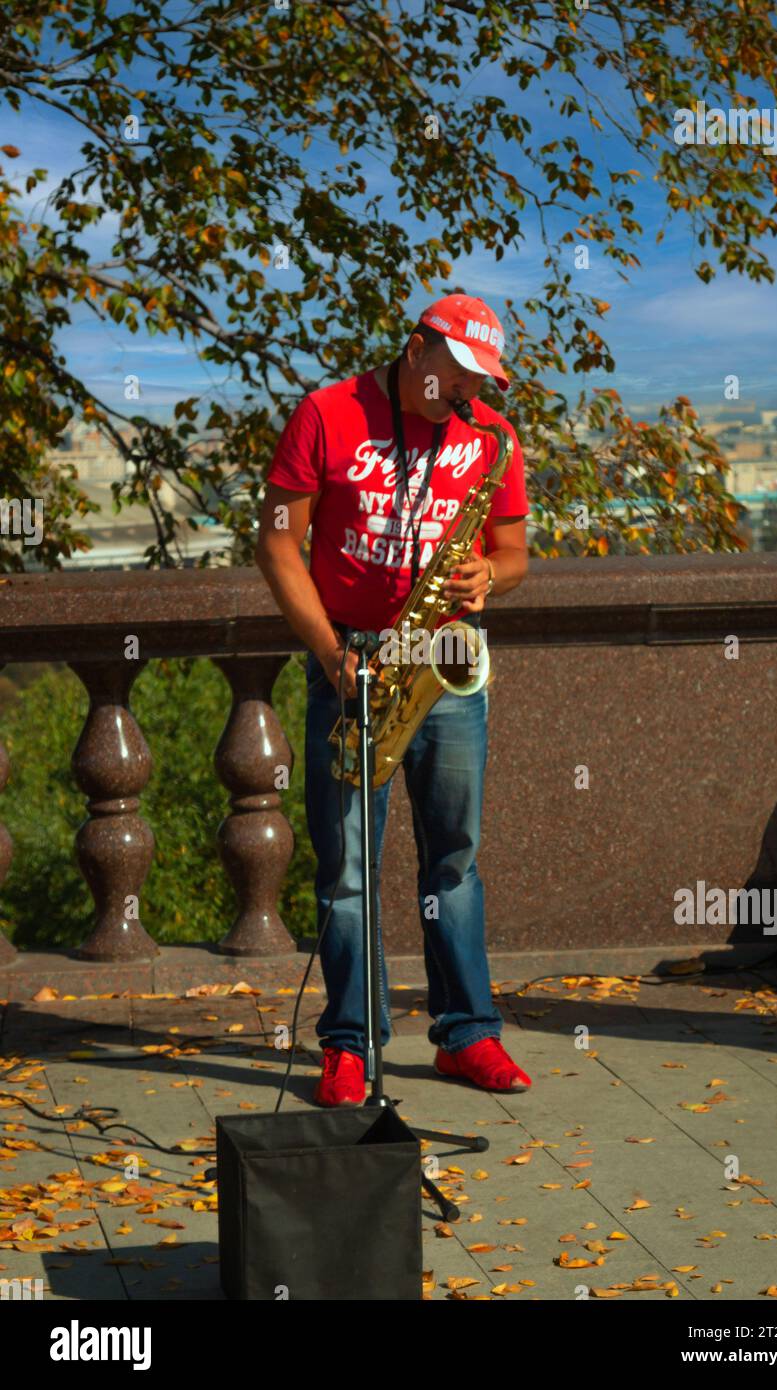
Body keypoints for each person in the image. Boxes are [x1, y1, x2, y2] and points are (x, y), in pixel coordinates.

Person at [255, 294, 533, 1106]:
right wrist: (334, 656)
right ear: (418, 350)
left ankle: (467, 1033)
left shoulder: (490, 436)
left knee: (453, 857)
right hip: (352, 657)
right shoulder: (326, 413)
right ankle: (349, 1043)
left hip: (444, 656)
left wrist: (492, 576)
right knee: (347, 866)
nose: (474, 393)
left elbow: (513, 553)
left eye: (484, 380)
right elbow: (277, 542)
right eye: (463, 374)